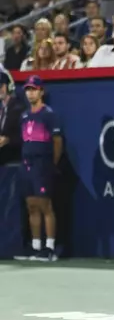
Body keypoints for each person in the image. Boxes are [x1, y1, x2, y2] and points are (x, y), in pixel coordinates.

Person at [20, 75, 63, 262]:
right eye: (28, 90)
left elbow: (57, 141)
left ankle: (50, 248)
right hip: (27, 164)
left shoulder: (49, 114)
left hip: (43, 164)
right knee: (31, 206)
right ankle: (36, 247)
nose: (30, 93)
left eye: (34, 89)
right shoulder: (24, 116)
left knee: (45, 206)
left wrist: (51, 164)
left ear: (41, 91)